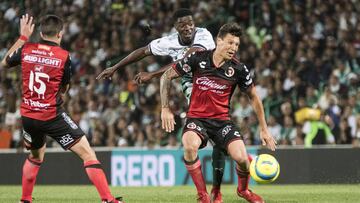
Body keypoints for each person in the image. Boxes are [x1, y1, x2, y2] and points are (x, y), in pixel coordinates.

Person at [97, 8, 228, 203]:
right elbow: (143, 51)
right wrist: (115, 67)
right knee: (208, 134)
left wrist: (152, 74)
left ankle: (216, 189)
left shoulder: (203, 35)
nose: (188, 27)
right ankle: (204, 189)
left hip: (213, 81)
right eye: (183, 24)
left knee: (219, 142)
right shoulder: (169, 41)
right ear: (176, 27)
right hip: (192, 85)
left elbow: (186, 60)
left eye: (190, 23)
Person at [0, 14, 123, 203]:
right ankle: (108, 199)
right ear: (60, 34)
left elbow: (4, 62)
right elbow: (64, 88)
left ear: (40, 32)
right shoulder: (63, 56)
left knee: (35, 156)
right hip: (51, 115)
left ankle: (25, 200)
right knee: (88, 154)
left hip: (28, 116)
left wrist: (23, 37)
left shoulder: (26, 49)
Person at [160, 22, 277, 203]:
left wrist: (264, 129)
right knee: (189, 146)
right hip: (197, 119)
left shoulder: (238, 69)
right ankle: (203, 196)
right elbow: (166, 75)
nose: (234, 48)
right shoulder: (198, 59)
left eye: (237, 45)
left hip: (222, 122)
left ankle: (243, 190)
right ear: (218, 41)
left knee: (242, 159)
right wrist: (165, 108)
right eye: (230, 43)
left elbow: (254, 97)